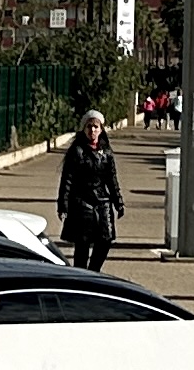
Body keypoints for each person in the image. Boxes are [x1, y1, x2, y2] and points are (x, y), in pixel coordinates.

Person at [57, 108, 124, 272]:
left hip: (102, 202)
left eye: (96, 127)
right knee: (83, 244)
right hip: (82, 203)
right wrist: (63, 205)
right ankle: (81, 275)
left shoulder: (106, 152)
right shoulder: (77, 151)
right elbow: (67, 180)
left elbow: (112, 179)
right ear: (84, 129)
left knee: (105, 239)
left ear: (101, 129)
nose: (92, 130)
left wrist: (118, 202)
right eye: (89, 126)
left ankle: (94, 271)